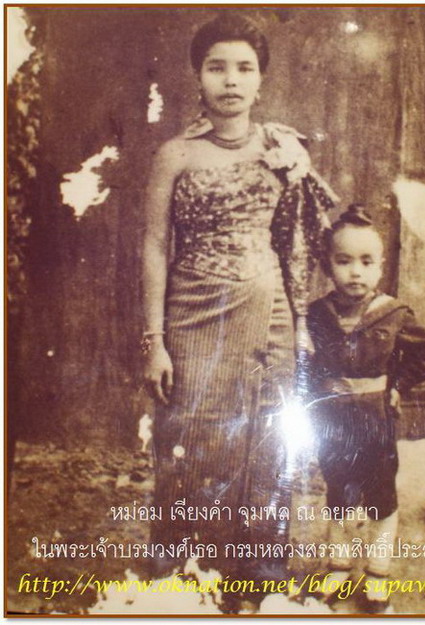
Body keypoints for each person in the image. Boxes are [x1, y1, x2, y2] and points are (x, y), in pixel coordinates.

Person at [142, 13, 336, 608]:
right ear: (198, 77)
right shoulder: (175, 155)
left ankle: (257, 576)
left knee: (266, 439)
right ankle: (185, 577)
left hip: (268, 314)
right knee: (191, 439)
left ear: (260, 79)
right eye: (216, 67)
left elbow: (295, 245)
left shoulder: (282, 150)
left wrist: (300, 326)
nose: (231, 80)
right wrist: (155, 340)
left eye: (244, 68)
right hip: (193, 315)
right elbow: (154, 246)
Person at [306, 204, 425, 613]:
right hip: (333, 420)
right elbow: (306, 365)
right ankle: (339, 565)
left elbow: (424, 355)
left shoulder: (393, 314)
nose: (355, 272)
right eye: (344, 261)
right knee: (338, 489)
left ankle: (378, 571)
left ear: (380, 267)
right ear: (327, 265)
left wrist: (397, 385)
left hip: (375, 418)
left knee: (380, 492)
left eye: (366, 262)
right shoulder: (317, 315)